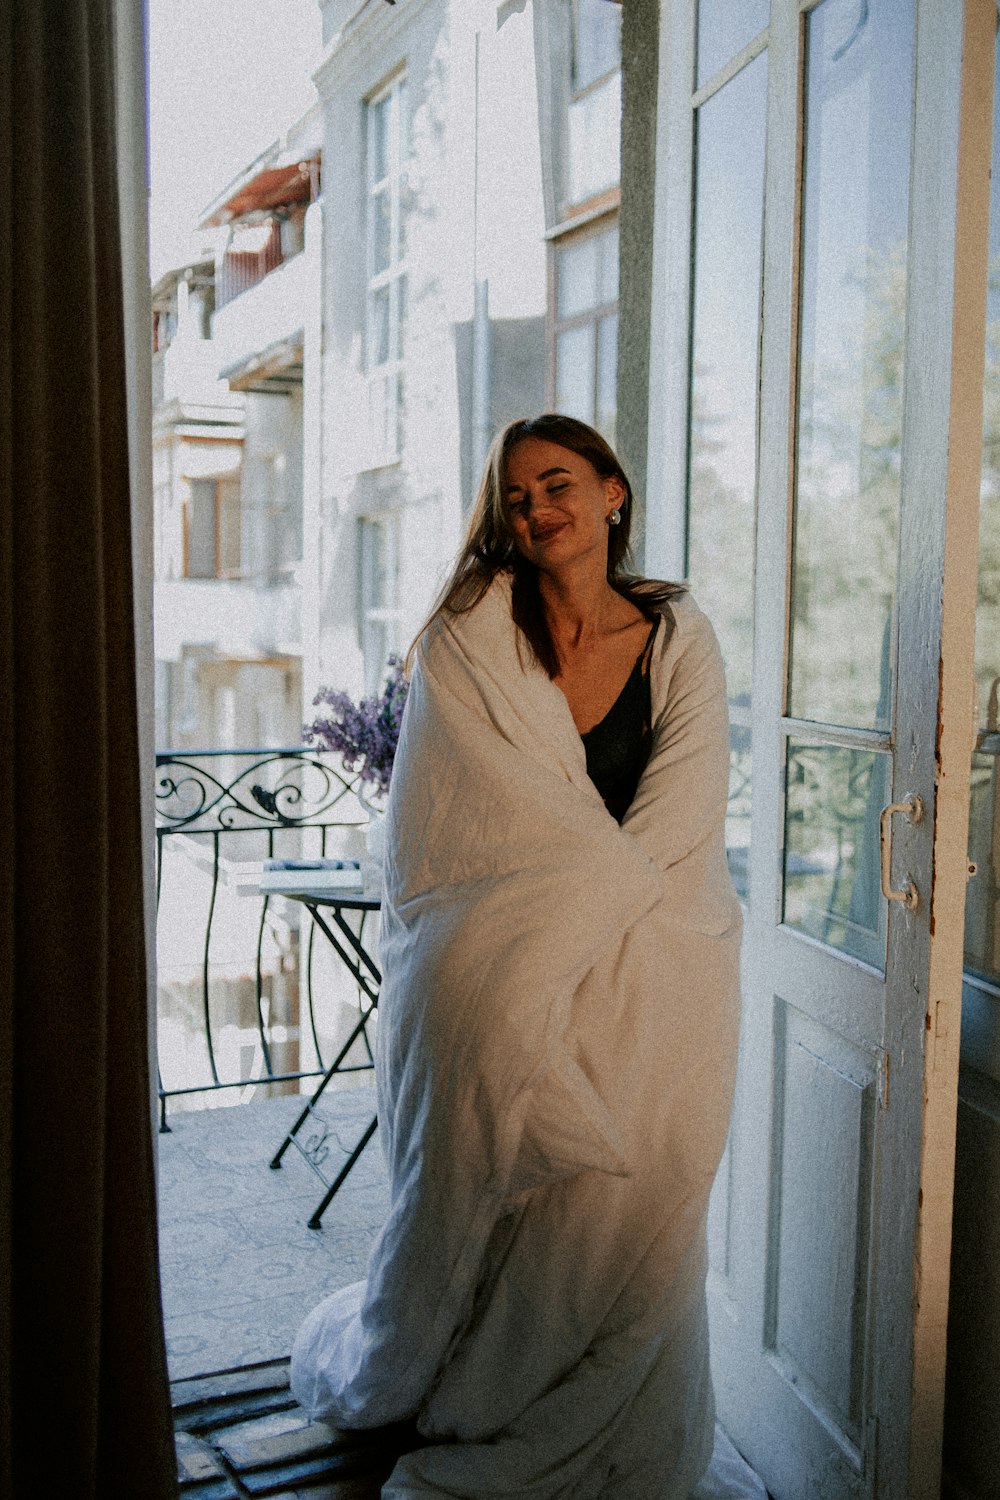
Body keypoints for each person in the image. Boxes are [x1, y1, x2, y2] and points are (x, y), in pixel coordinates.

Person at [291, 415, 763, 1498]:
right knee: (505, 1133)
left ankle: (593, 1409)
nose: (536, 509)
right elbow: (467, 824)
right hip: (504, 950)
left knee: (635, 1190)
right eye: (514, 498)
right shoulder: (471, 630)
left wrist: (599, 926)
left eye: (556, 483)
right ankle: (472, 1388)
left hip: (664, 948)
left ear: (611, 493)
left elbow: (685, 809)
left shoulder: (677, 631)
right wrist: (562, 927)